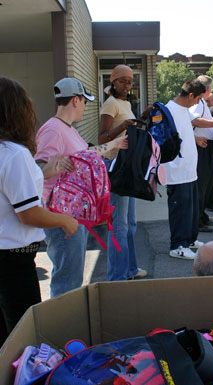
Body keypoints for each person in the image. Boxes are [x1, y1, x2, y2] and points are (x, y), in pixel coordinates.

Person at [0, 77, 79, 345]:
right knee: (23, 339)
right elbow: (28, 213)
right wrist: (65, 221)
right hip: (13, 262)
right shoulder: (14, 154)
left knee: (5, 338)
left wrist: (46, 170)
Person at [35, 77, 127, 297]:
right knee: (67, 281)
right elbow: (36, 171)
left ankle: (67, 326)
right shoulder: (53, 131)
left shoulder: (67, 129)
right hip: (60, 216)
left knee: (73, 276)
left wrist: (114, 144)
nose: (85, 107)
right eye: (85, 101)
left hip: (72, 213)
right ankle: (64, 328)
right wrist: (52, 168)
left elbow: (87, 153)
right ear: (75, 100)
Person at [98, 65, 147, 281]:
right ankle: (117, 277)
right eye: (123, 81)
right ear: (113, 82)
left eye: (130, 81)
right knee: (119, 225)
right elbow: (102, 138)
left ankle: (130, 269)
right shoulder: (110, 104)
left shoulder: (126, 103)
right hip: (115, 169)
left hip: (127, 168)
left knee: (130, 224)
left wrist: (142, 117)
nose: (127, 85)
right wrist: (124, 125)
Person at [163, 79, 206, 259]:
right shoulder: (169, 110)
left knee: (191, 209)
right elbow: (164, 141)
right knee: (180, 210)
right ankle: (178, 246)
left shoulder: (183, 110)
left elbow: (183, 132)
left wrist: (195, 139)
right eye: (197, 100)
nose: (197, 103)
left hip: (189, 170)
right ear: (190, 95)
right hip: (177, 170)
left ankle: (189, 240)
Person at [189, 76, 213, 233]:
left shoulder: (201, 103)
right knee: (201, 185)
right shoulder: (197, 103)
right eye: (210, 88)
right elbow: (194, 120)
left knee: (207, 185)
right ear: (206, 89)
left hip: (208, 146)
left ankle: (202, 216)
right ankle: (197, 221)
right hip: (202, 146)